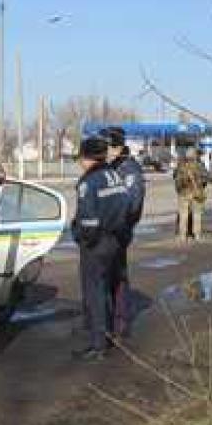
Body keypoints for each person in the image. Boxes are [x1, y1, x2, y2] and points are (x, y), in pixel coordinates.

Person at [71, 136, 131, 361]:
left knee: (94, 292)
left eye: (81, 158)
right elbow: (127, 206)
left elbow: (88, 220)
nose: (80, 163)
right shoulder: (115, 175)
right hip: (115, 240)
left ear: (88, 158)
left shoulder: (89, 182)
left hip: (96, 244)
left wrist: (81, 237)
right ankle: (109, 333)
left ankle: (98, 345)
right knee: (107, 288)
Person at [99, 126, 146, 340]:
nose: (103, 151)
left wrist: (115, 225)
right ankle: (107, 321)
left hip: (118, 231)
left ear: (117, 147)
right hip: (105, 231)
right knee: (106, 276)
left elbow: (131, 205)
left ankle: (119, 324)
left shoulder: (129, 169)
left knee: (117, 276)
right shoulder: (112, 167)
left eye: (106, 146)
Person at [173, 149, 207, 243]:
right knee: (197, 214)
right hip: (196, 193)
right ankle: (197, 235)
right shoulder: (200, 165)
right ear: (195, 155)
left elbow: (175, 177)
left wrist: (179, 189)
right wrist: (200, 187)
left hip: (184, 193)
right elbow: (205, 178)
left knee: (183, 214)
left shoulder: (181, 166)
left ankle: (182, 236)